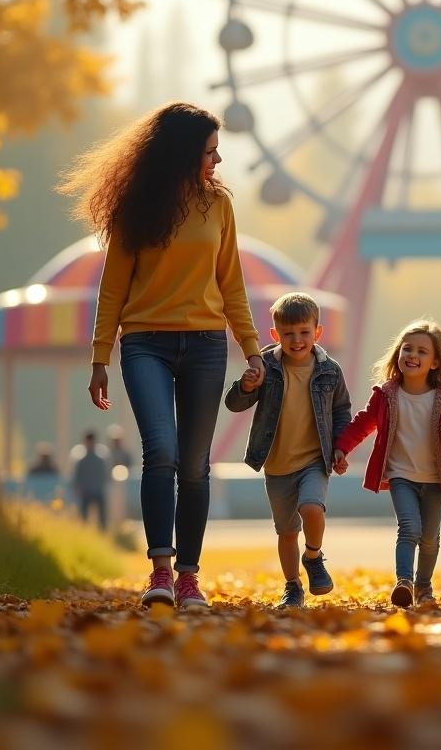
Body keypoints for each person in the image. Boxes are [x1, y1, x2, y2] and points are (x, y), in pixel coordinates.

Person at [60, 102, 264, 610]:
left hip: (205, 345)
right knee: (162, 452)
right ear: (181, 153)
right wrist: (99, 357)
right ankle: (160, 573)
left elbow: (231, 282)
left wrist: (252, 349)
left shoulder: (219, 206)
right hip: (145, 342)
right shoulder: (137, 206)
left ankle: (190, 578)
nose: (217, 162)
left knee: (195, 465)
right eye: (209, 152)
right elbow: (113, 288)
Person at [224, 292, 351, 610]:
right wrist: (247, 386)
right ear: (275, 335)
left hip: (314, 459)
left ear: (317, 333)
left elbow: (342, 410)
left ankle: (313, 556)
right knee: (285, 531)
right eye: (288, 334)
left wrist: (340, 446)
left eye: (304, 332)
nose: (297, 340)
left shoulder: (329, 371)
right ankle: (292, 587)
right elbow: (234, 404)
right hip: (277, 464)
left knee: (312, 508)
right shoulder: (265, 365)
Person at [334, 320, 441, 609]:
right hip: (400, 474)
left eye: (421, 351)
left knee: (430, 538)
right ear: (398, 354)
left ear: (435, 362)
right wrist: (342, 448)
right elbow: (363, 423)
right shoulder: (386, 394)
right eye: (407, 349)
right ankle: (404, 582)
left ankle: (424, 586)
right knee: (409, 528)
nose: (412, 355)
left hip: (435, 477)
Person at [71, 430, 110, 530]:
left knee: (102, 517)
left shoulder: (100, 460)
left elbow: (105, 476)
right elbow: (77, 477)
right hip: (86, 493)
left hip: (98, 491)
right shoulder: (81, 461)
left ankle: (103, 532)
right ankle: (85, 532)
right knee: (84, 517)